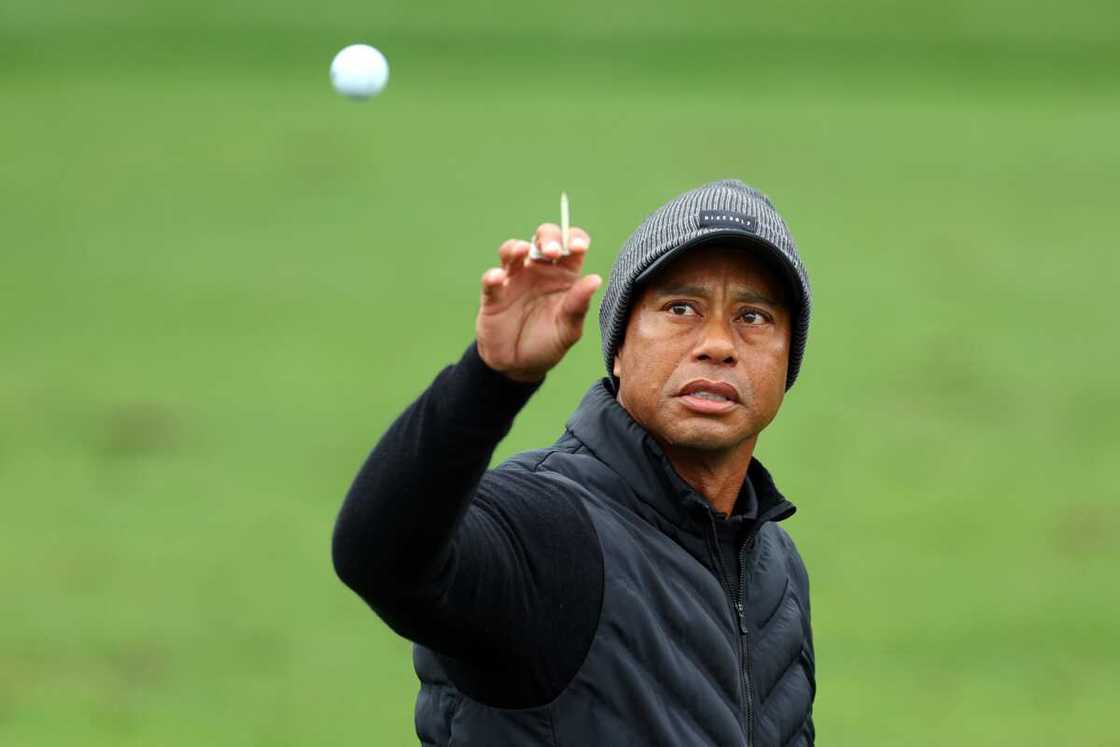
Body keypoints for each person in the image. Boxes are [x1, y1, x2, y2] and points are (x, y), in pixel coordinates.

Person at [332, 179, 816, 746]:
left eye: (753, 317)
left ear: (787, 363)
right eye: (680, 308)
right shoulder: (549, 529)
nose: (718, 344)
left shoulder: (775, 567)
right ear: (619, 347)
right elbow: (380, 558)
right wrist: (492, 380)